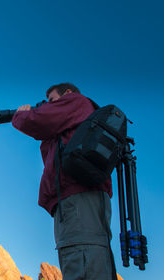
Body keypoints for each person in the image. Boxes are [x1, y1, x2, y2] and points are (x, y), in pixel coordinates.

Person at [12, 83, 117, 280]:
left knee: (82, 263)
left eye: (52, 101)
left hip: (77, 201)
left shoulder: (75, 101)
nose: (48, 105)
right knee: (86, 259)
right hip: (79, 201)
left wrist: (20, 114)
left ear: (67, 94)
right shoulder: (78, 117)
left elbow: (37, 121)